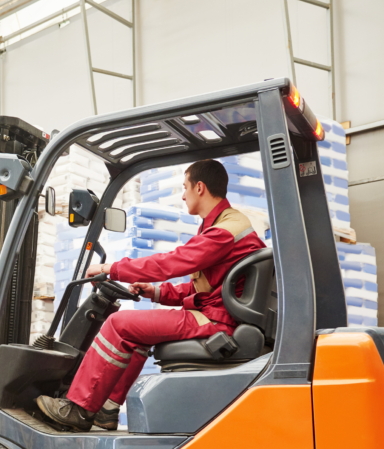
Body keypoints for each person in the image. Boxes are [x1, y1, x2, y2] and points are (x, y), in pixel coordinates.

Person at [36, 159, 268, 431]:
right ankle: (107, 410)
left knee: (117, 324)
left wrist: (113, 268)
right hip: (216, 314)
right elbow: (206, 288)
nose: (183, 195)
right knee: (135, 335)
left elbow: (173, 262)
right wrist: (156, 292)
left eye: (185, 187)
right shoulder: (221, 224)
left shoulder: (224, 231)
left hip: (217, 322)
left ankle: (78, 409)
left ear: (200, 188)